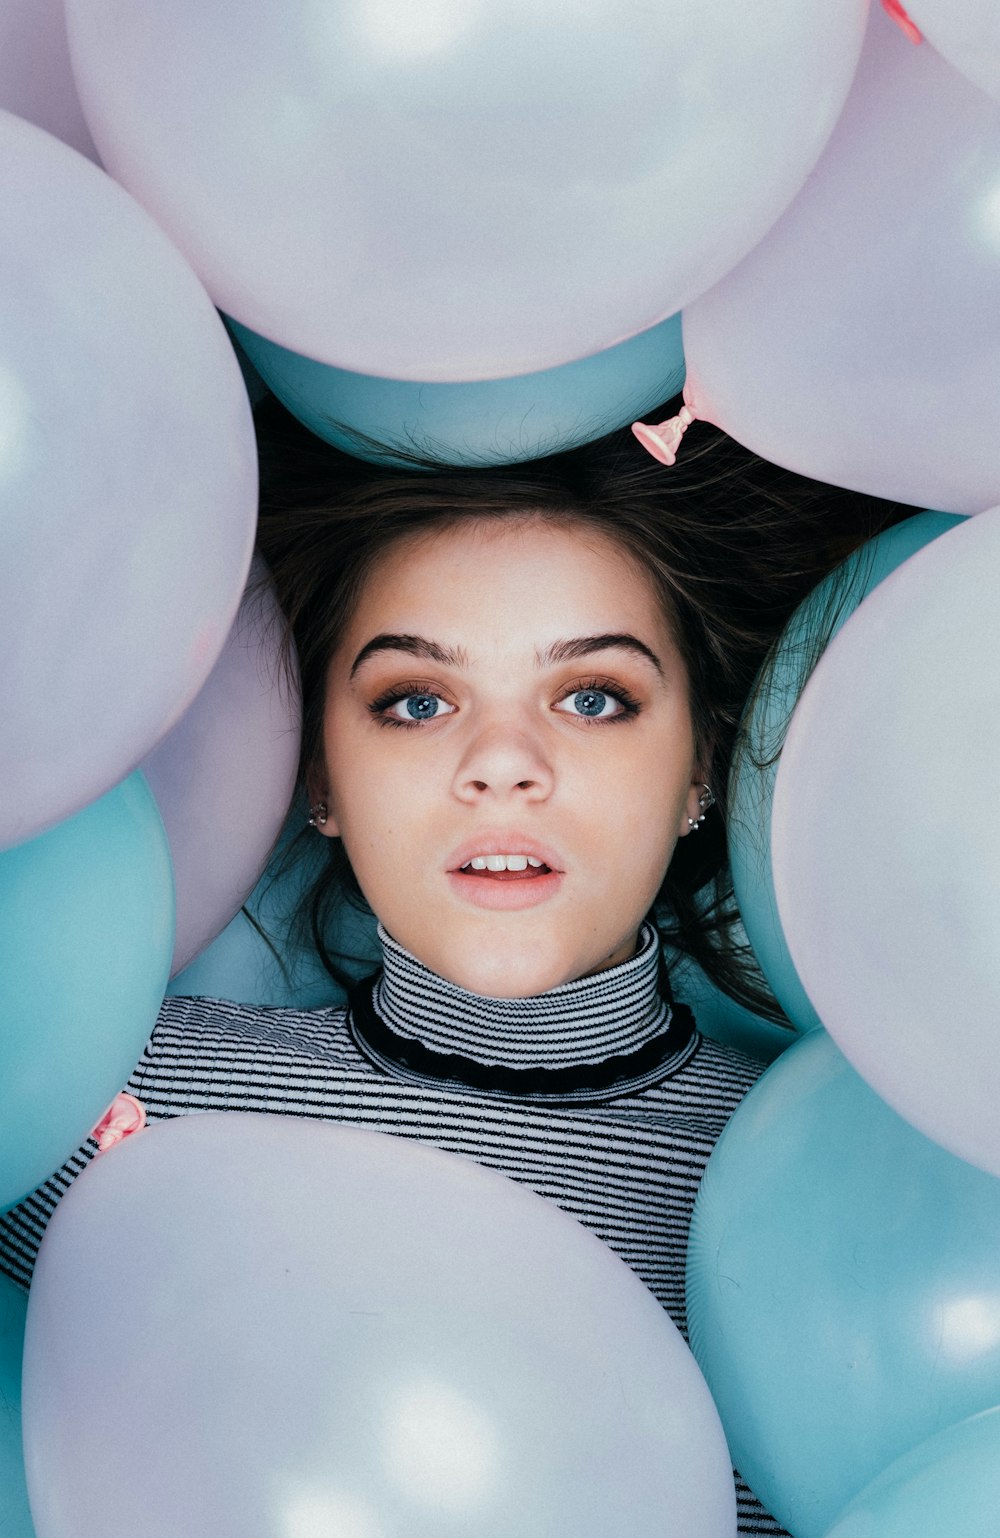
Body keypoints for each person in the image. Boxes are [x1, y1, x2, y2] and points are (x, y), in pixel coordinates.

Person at [0, 398, 909, 1534]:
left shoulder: (851, 1195)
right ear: (320, 774)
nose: (502, 765)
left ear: (699, 771)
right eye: (416, 701)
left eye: (592, 697)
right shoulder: (93, 1097)